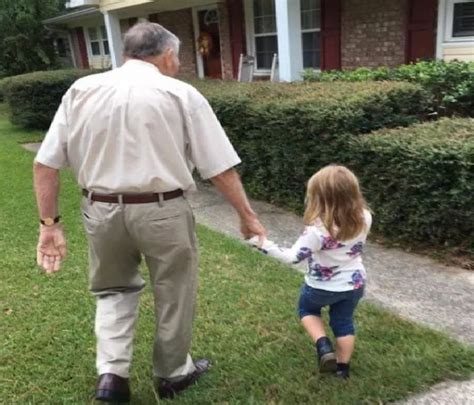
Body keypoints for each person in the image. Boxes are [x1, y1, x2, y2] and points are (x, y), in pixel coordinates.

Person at [33, 22, 266, 402]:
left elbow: (45, 165)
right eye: (177, 58)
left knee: (112, 290)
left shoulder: (81, 90)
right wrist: (246, 215)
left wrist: (49, 226)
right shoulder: (180, 93)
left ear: (128, 53)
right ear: (168, 55)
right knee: (175, 291)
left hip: (101, 211)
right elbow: (219, 167)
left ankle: (111, 377)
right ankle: (173, 374)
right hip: (163, 211)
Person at [248, 165, 371, 379]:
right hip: (354, 284)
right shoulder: (364, 217)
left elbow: (291, 257)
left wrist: (262, 243)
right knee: (344, 322)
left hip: (321, 286)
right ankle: (343, 369)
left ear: (319, 198)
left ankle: (323, 346)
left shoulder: (318, 230)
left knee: (307, 310)